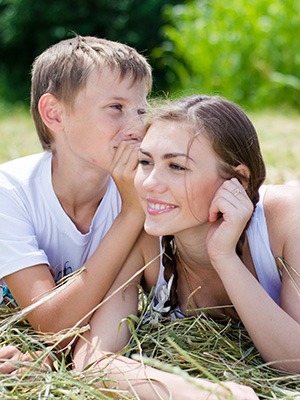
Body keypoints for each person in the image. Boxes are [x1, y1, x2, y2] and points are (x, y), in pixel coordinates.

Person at [72, 95, 281, 399]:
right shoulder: (144, 241)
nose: (149, 183)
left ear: (238, 179)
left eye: (177, 167)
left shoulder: (285, 222)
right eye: (145, 162)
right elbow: (91, 361)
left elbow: (295, 362)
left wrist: (223, 256)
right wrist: (206, 393)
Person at [0, 34, 152, 350]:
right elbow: (54, 326)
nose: (137, 128)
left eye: (141, 111)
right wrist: (131, 213)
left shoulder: (147, 185)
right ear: (55, 114)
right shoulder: (10, 192)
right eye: (116, 107)